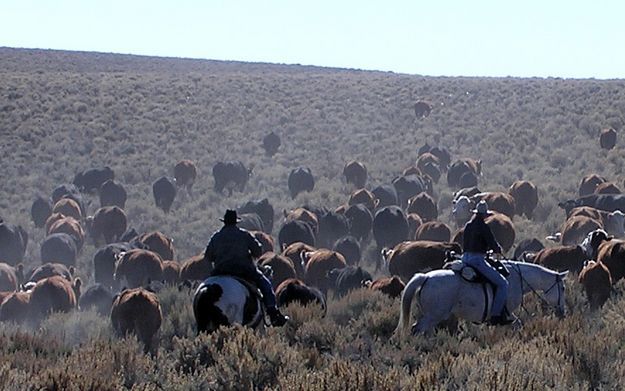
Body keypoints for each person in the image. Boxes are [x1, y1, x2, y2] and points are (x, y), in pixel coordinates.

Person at [204, 209, 289, 327]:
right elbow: (258, 250)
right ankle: (273, 314)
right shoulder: (244, 234)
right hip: (244, 271)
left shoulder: (216, 236)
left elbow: (207, 257)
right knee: (265, 284)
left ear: (224, 222)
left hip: (220, 271)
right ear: (236, 222)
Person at [462, 201, 514, 325]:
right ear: (484, 215)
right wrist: (497, 250)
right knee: (502, 284)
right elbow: (492, 243)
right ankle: (496, 315)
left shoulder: (468, 225)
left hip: (465, 258)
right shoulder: (483, 227)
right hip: (477, 260)